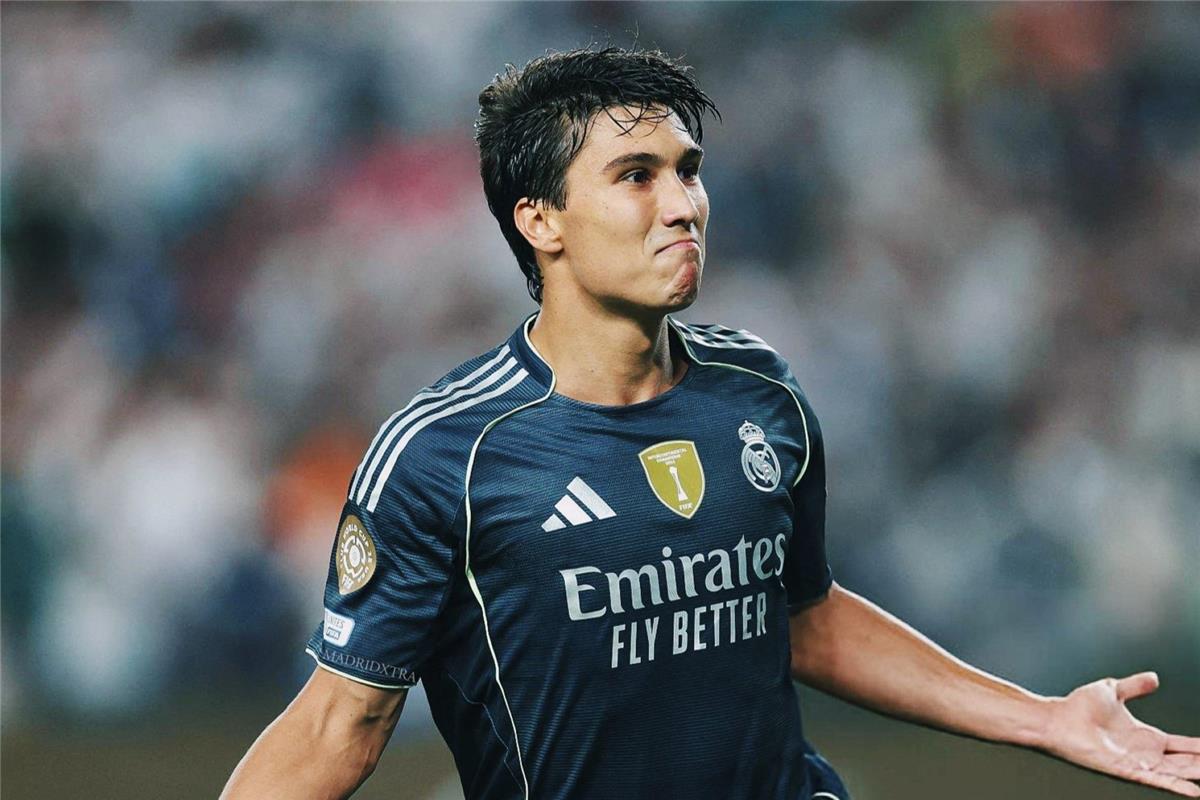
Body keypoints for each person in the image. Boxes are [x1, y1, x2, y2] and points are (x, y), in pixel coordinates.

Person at [221, 46, 1200, 800]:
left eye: (688, 170)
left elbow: (805, 616)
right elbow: (339, 726)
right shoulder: (445, 454)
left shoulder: (759, 389)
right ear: (540, 220)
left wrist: (1044, 717)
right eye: (635, 175)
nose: (683, 203)